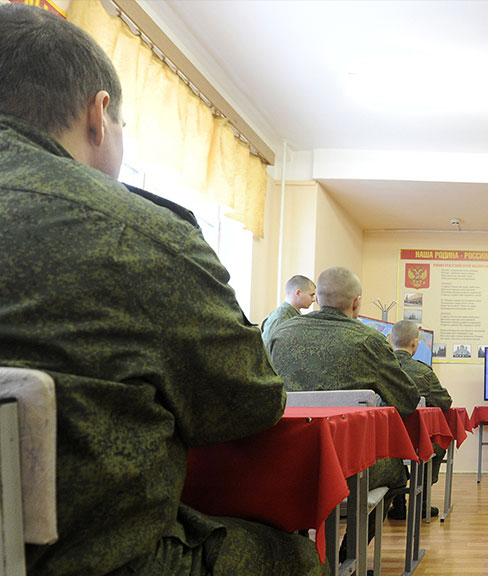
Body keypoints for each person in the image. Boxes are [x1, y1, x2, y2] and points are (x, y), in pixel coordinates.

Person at [0, 5, 323, 575]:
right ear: (99, 115)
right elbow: (250, 402)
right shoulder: (136, 232)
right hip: (88, 562)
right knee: (290, 553)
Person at [269, 266, 421, 555]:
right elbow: (407, 399)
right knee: (397, 472)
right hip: (347, 469)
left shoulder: (280, 333)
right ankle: (348, 556)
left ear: (320, 297)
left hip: (284, 461)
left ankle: (300, 550)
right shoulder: (368, 341)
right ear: (356, 302)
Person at [387, 320, 452, 520]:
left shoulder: (380, 369)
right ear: (415, 343)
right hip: (415, 441)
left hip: (383, 441)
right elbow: (445, 402)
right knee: (436, 444)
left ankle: (398, 505)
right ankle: (423, 502)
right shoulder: (423, 372)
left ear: (390, 341)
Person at [261, 274, 316, 348]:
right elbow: (267, 349)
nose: (313, 299)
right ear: (298, 293)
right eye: (311, 295)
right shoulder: (280, 318)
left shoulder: (293, 315)